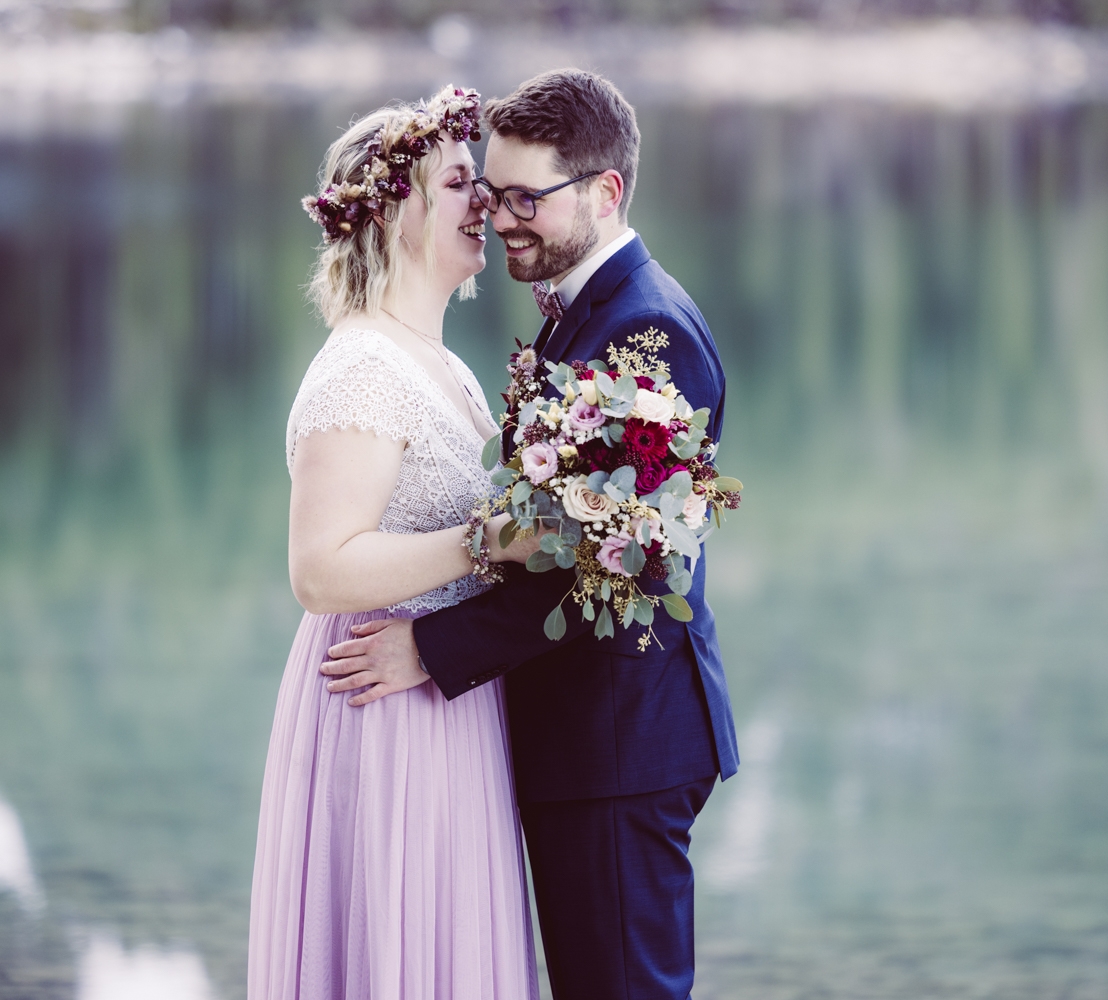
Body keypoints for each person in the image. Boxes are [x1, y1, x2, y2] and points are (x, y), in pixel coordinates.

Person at [321, 69, 740, 1000]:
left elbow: (617, 564)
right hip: (587, 737)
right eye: (489, 193)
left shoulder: (649, 331)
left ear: (605, 190)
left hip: (619, 740)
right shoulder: (588, 318)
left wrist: (430, 648)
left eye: (524, 198)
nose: (500, 217)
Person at [246, 86, 542, 1000]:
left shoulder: (442, 364)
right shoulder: (363, 366)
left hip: (440, 690)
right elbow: (321, 568)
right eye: (459, 183)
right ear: (399, 212)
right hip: (380, 704)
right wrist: (489, 542)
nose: (484, 204)